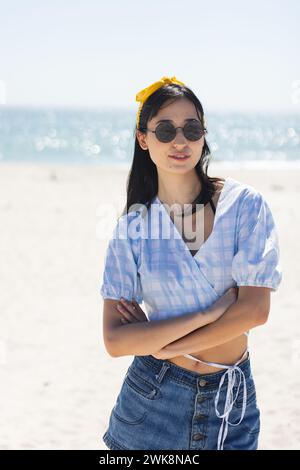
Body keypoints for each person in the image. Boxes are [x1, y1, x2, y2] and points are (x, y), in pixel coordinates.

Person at [100, 76, 283, 450]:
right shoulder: (132, 228)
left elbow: (254, 311)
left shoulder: (244, 205)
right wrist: (206, 316)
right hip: (151, 400)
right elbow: (116, 340)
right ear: (143, 139)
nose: (180, 141)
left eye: (191, 128)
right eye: (165, 130)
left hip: (231, 405)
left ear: (204, 135)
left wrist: (163, 342)